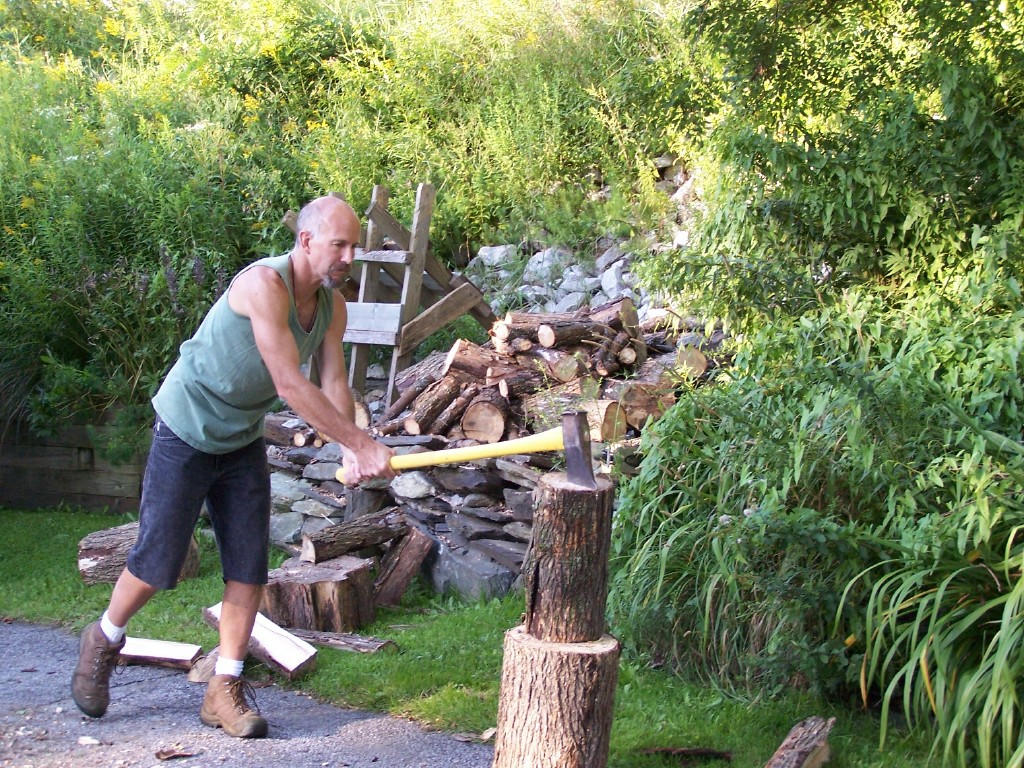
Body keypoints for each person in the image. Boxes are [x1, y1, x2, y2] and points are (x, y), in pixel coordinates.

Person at [71, 196, 395, 738]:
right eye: (340, 244)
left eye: (355, 245)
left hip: (240, 437)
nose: (350, 255)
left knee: (248, 566)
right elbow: (291, 384)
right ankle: (103, 636)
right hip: (186, 427)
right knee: (158, 561)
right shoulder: (263, 287)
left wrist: (349, 448)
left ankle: (224, 687)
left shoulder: (333, 306)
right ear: (307, 241)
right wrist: (361, 445)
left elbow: (334, 383)